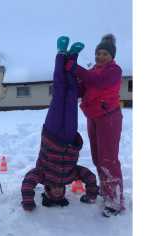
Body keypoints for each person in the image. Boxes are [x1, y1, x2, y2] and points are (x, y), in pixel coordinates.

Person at [20, 36, 99, 211]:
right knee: (71, 95)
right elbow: (89, 177)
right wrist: (92, 193)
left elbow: (28, 182)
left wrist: (28, 202)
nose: (57, 190)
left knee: (59, 92)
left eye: (53, 192)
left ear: (47, 191)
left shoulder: (42, 175)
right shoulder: (70, 177)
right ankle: (73, 58)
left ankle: (61, 54)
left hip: (51, 134)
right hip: (70, 137)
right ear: (64, 191)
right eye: (60, 192)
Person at [65, 34, 125, 217]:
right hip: (94, 117)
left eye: (105, 53)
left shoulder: (114, 71)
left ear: (112, 56)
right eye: (98, 53)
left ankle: (115, 202)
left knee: (108, 159)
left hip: (109, 118)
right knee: (98, 157)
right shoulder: (94, 71)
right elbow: (85, 87)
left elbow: (97, 81)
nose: (100, 56)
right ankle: (105, 191)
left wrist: (76, 68)